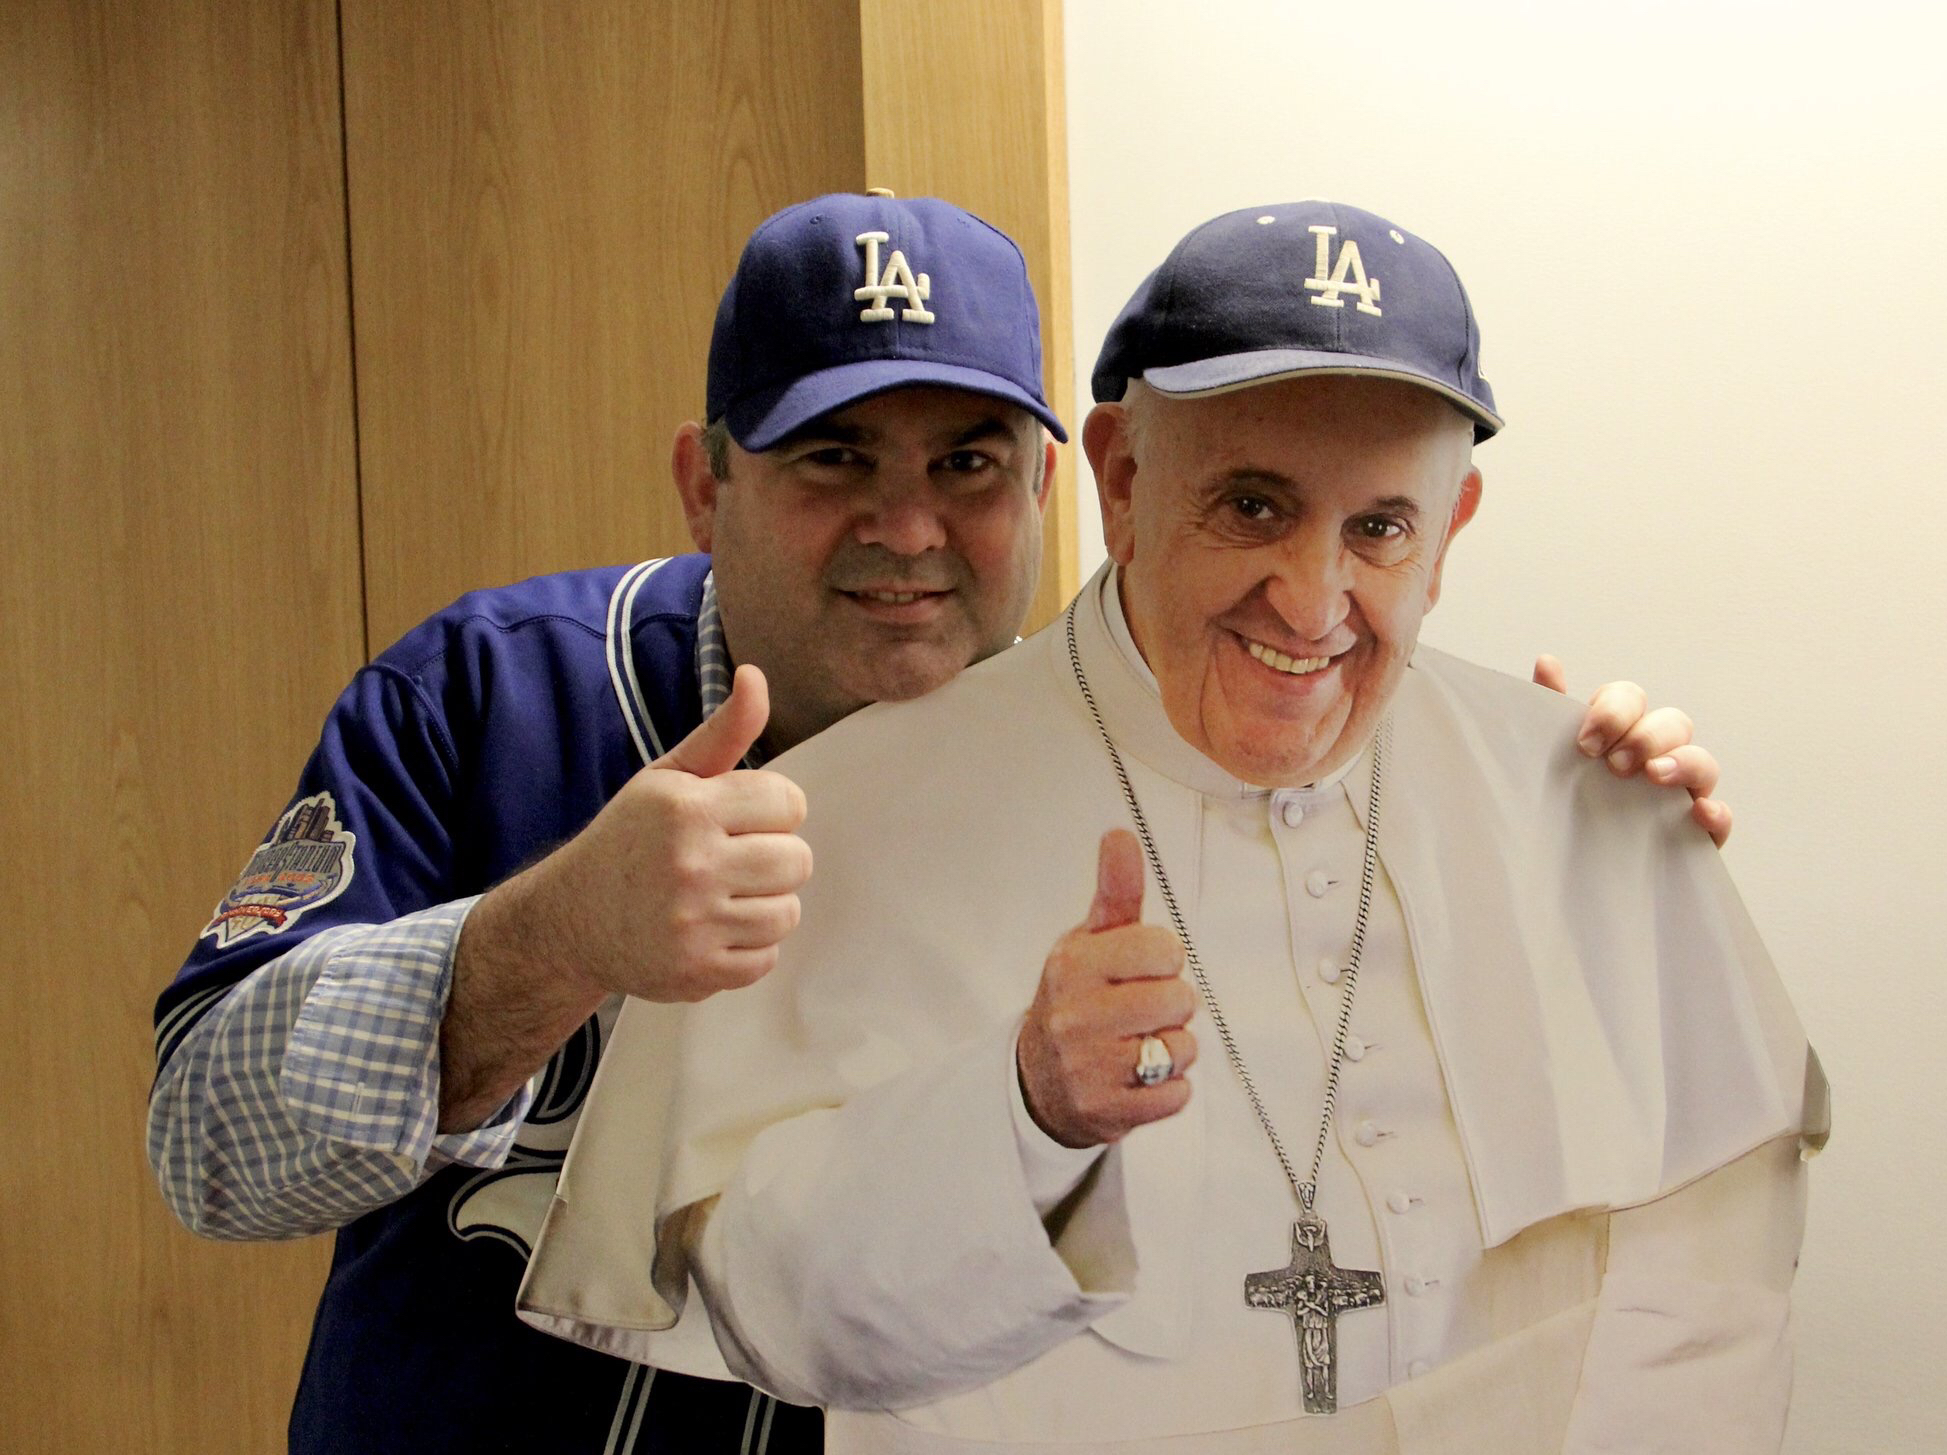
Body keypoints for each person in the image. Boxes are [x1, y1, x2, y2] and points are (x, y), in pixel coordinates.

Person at [149, 192, 1741, 1455]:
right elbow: (204, 1149)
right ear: (706, 485)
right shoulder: (494, 697)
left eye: (970, 464)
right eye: (835, 458)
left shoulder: (1147, 751)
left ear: (1066, 488)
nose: (908, 529)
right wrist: (557, 935)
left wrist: (1555, 818)